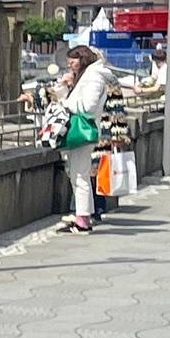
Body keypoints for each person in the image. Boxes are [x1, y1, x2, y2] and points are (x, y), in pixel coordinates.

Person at [58, 47, 108, 234]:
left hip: (83, 130)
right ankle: (83, 217)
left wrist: (66, 103)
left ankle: (83, 221)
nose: (70, 64)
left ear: (83, 59)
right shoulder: (89, 75)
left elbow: (88, 106)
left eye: (73, 61)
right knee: (78, 175)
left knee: (80, 176)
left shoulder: (93, 77)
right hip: (82, 129)